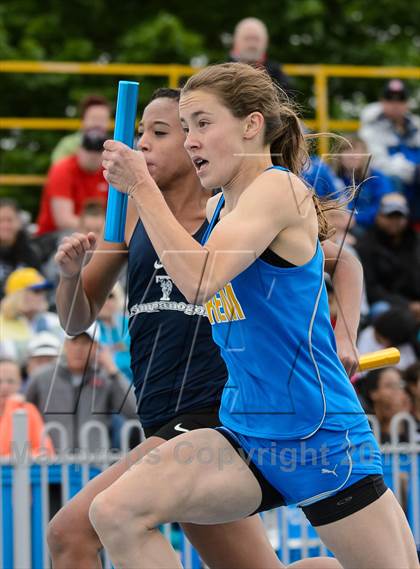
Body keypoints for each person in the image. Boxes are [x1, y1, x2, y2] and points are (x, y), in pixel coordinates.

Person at [93, 63, 418, 568]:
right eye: (185, 126)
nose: (191, 139)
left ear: (251, 125)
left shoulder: (279, 189)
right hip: (244, 432)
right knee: (113, 512)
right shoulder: (223, 204)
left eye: (202, 123)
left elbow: (200, 281)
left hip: (318, 441)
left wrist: (141, 187)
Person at [48, 87, 353, 568]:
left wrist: (345, 335)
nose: (142, 143)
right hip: (162, 416)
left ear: (195, 142)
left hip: (211, 414)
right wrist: (68, 277)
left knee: (70, 533)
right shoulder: (132, 218)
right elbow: (75, 317)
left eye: (161, 132)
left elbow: (344, 262)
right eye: (140, 132)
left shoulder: (231, 216)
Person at [25, 323, 137, 453]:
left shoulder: (107, 378)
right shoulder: (42, 377)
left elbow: (135, 412)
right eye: (74, 342)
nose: (79, 348)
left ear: (96, 347)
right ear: (66, 345)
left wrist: (113, 371)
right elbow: (24, 412)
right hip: (51, 463)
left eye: (85, 343)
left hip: (95, 464)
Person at [359, 79, 420, 226]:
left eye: (400, 100)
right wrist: (415, 171)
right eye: (390, 99)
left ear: (407, 103)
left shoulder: (416, 125)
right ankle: (397, 229)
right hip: (393, 183)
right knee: (391, 180)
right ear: (382, 101)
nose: (395, 104)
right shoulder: (370, 129)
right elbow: (379, 163)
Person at [355, 193, 420, 321]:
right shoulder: (365, 245)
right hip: (386, 304)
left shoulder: (416, 241)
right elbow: (372, 289)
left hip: (416, 302)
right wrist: (408, 305)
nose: (395, 221)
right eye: (390, 216)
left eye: (399, 216)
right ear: (379, 216)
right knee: (381, 309)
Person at [36, 128, 108, 236]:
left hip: (93, 231)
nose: (93, 155)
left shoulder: (110, 171)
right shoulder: (62, 169)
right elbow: (64, 221)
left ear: (104, 153)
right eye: (88, 149)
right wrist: (97, 228)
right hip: (54, 235)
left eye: (97, 150)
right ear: (79, 149)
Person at [0, 267, 60, 363]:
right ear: (18, 295)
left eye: (44, 290)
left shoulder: (54, 321)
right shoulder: (2, 324)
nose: (42, 295)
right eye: (37, 291)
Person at [333, 136, 394, 230]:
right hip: (341, 227)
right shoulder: (333, 178)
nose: (352, 156)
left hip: (372, 227)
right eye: (347, 150)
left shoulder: (376, 178)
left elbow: (382, 207)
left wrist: (355, 219)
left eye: (357, 151)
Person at [0, 358, 54, 456]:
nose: (4, 387)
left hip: (19, 470)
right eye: (0, 381)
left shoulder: (28, 410)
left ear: (20, 383)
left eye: (10, 381)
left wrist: (20, 458)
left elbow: (46, 451)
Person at [229, 17, 291, 93]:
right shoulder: (222, 72)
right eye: (247, 38)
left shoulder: (278, 75)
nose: (252, 44)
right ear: (235, 41)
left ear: (266, 42)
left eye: (256, 39)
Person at [51, 95, 111, 164]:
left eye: (102, 119)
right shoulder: (67, 145)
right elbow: (57, 168)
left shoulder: (113, 147)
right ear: (83, 120)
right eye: (93, 118)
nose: (97, 124)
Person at [0, 198, 41, 299]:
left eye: (9, 220)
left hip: (23, 307)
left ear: (19, 222)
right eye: (1, 220)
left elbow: (38, 286)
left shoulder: (30, 252)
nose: (5, 225)